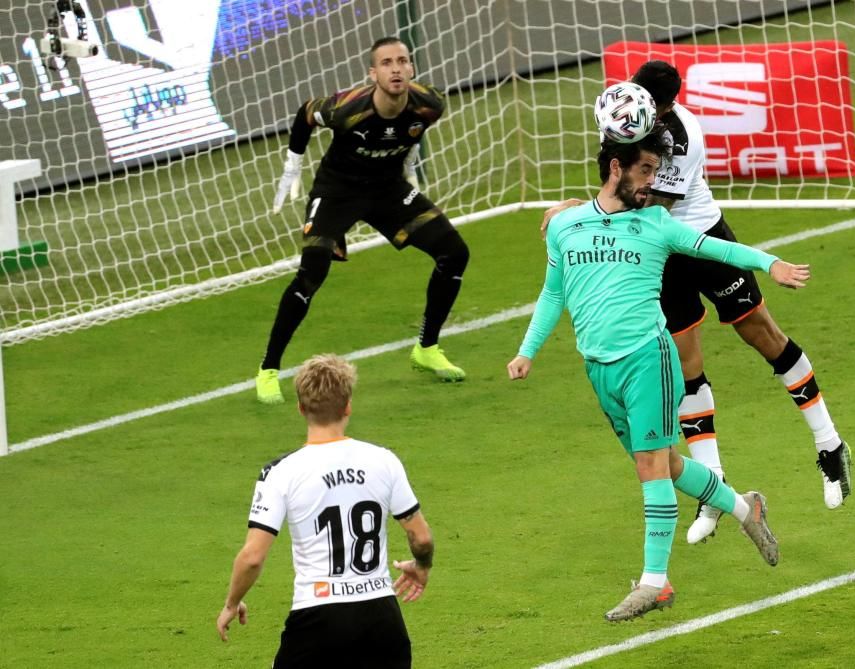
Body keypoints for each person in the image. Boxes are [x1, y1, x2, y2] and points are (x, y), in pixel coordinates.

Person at [544, 61, 852, 544]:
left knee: (764, 337)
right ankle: (714, 488)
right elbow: (616, 194)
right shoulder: (623, 126)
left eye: (656, 109)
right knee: (687, 365)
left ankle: (829, 443)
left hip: (702, 237)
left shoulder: (682, 134)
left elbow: (648, 209)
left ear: (666, 106)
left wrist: (575, 212)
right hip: (660, 257)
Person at [509, 133, 809, 621]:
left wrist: (769, 263)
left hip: (649, 358)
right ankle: (745, 508)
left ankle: (655, 582)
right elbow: (552, 293)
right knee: (666, 464)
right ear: (615, 168)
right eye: (645, 171)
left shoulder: (657, 224)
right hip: (598, 367)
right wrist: (527, 351)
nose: (654, 182)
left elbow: (720, 251)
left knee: (649, 467)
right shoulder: (566, 224)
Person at [256, 36, 470, 404]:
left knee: (454, 252)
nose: (396, 68)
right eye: (386, 63)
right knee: (313, 270)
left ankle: (426, 348)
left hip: (387, 190)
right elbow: (307, 112)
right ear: (373, 73)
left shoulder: (430, 104)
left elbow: (413, 133)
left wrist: (408, 163)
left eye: (402, 61)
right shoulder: (348, 108)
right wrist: (293, 165)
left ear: (412, 68)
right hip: (337, 191)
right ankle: (268, 369)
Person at [218, 353, 434, 668]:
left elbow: (252, 557)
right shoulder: (384, 460)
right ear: (347, 406)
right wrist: (421, 565)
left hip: (318, 619)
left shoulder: (281, 472)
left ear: (301, 408)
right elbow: (421, 538)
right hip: (382, 618)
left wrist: (231, 603)